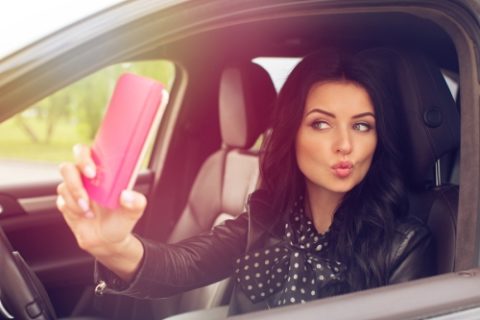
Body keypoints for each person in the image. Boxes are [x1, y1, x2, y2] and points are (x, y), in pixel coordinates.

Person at [56, 48, 436, 316]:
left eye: (362, 126)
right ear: (292, 135)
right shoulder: (266, 218)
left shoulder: (403, 245)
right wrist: (111, 246)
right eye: (321, 123)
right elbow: (182, 265)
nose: (345, 145)